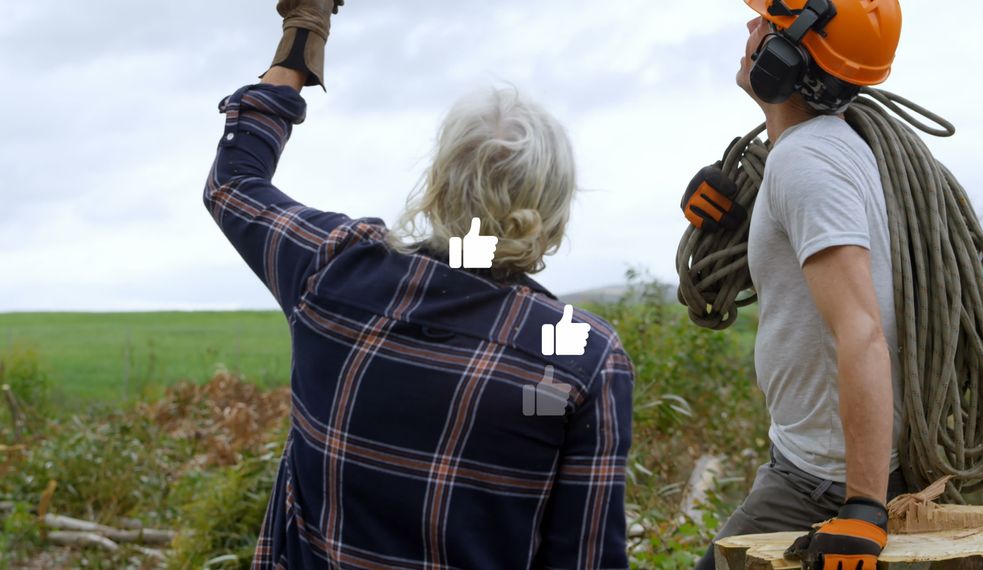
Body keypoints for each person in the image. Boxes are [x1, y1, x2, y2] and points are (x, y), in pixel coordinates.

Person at [203, 1, 634, 568]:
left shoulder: (333, 267)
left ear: (438, 182)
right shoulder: (579, 354)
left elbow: (234, 184)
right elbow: (583, 558)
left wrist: (298, 47)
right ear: (552, 209)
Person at [695, 1, 908, 569]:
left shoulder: (805, 164)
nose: (748, 27)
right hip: (811, 460)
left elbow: (860, 330)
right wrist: (734, 221)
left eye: (764, 23)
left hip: (821, 479)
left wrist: (863, 508)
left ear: (784, 58)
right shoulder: (828, 147)